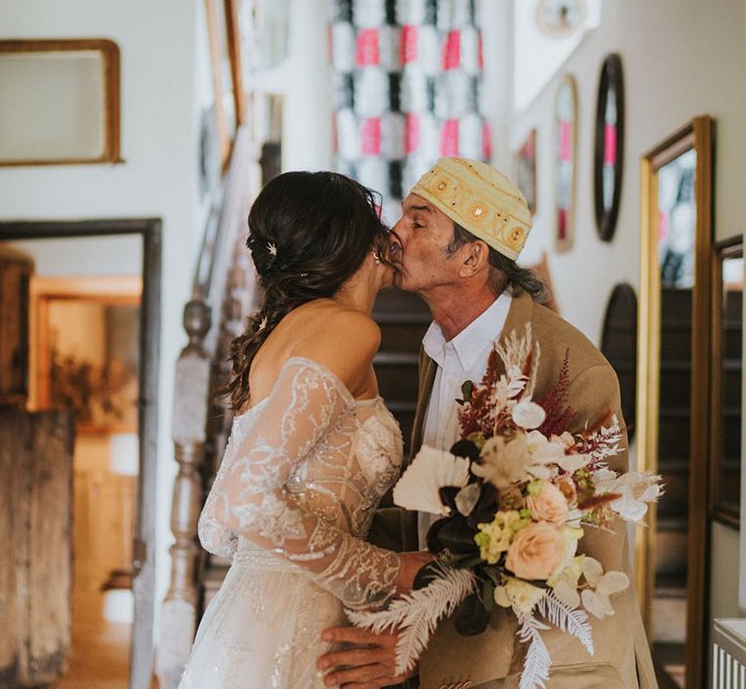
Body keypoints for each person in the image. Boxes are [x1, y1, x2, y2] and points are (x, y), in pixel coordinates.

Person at [319, 158, 657, 688]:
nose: (394, 234)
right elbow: (434, 516)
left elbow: (579, 562)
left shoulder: (573, 373)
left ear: (472, 257)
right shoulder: (438, 348)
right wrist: (317, 531)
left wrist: (420, 645)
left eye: (418, 220)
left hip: (552, 671)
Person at [178, 171, 430, 689]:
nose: (393, 235)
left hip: (251, 616)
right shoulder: (347, 329)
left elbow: (214, 527)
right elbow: (241, 504)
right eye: (378, 221)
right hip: (301, 623)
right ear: (353, 238)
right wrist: (391, 571)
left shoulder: (283, 337)